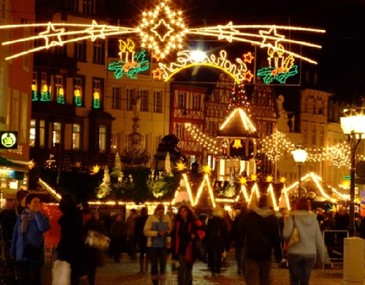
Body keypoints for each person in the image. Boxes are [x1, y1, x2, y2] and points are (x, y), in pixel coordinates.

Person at [283, 197, 325, 285]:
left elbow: (286, 235)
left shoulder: (293, 217)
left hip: (295, 252)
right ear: (308, 207)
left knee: (294, 280)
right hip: (310, 253)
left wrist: (291, 239)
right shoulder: (314, 219)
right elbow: (318, 239)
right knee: (305, 280)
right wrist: (322, 257)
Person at [242, 194, 282, 285]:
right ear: (267, 204)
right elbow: (276, 237)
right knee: (265, 277)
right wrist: (278, 254)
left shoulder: (250, 217)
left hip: (251, 251)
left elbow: (242, 231)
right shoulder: (272, 218)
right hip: (265, 252)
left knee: (251, 277)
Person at [10, 193, 50, 285]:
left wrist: (37, 214)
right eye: (34, 202)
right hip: (21, 255)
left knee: (34, 280)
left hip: (34, 255)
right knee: (22, 280)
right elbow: (15, 235)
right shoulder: (21, 217)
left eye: (39, 202)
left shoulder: (43, 217)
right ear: (28, 204)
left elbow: (43, 228)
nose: (37, 204)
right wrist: (12, 252)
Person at [171, 205, 204, 285]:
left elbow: (202, 231)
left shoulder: (193, 221)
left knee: (189, 268)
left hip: (190, 249)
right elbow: (174, 236)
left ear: (188, 212)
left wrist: (195, 235)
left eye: (184, 211)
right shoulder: (177, 222)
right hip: (180, 249)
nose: (182, 213)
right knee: (181, 268)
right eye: (181, 211)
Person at [56, 193, 85, 285]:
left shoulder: (68, 216)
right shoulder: (76, 214)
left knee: (66, 275)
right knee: (72, 275)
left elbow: (67, 235)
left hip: (68, 249)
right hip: (75, 249)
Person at [144, 203, 172, 285]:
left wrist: (168, 231)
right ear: (156, 210)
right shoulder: (151, 218)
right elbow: (145, 231)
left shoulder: (167, 217)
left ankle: (162, 281)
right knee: (154, 266)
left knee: (163, 265)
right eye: (159, 209)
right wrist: (157, 233)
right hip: (153, 246)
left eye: (162, 209)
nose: (161, 211)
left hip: (164, 245)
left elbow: (170, 228)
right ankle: (155, 283)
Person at [83, 208, 109, 285]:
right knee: (93, 267)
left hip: (88, 246)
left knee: (88, 265)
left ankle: (88, 277)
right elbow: (105, 234)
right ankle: (91, 281)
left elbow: (83, 233)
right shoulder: (98, 224)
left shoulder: (87, 223)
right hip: (95, 247)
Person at [205, 206, 229, 277]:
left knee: (211, 256)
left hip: (211, 241)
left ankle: (212, 270)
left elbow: (207, 231)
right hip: (219, 241)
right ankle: (218, 270)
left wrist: (206, 240)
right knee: (219, 256)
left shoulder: (210, 220)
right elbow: (225, 232)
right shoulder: (223, 221)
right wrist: (226, 241)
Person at [0, 198, 18, 273]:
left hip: (12, 236)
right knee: (6, 252)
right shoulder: (3, 213)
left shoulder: (15, 214)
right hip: (5, 236)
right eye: (8, 202)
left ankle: (10, 267)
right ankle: (7, 266)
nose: (9, 204)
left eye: (10, 202)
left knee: (11, 253)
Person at [230, 203, 248, 276]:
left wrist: (232, 238)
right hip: (246, 239)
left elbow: (233, 229)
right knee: (244, 255)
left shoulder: (237, 218)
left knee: (239, 255)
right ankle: (243, 268)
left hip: (238, 239)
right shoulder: (249, 218)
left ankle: (239, 268)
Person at [134, 207, 149, 273]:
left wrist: (136, 239)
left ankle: (141, 269)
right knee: (147, 253)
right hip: (147, 237)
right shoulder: (148, 218)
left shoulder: (138, 219)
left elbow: (136, 230)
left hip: (141, 237)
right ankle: (146, 268)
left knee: (142, 254)